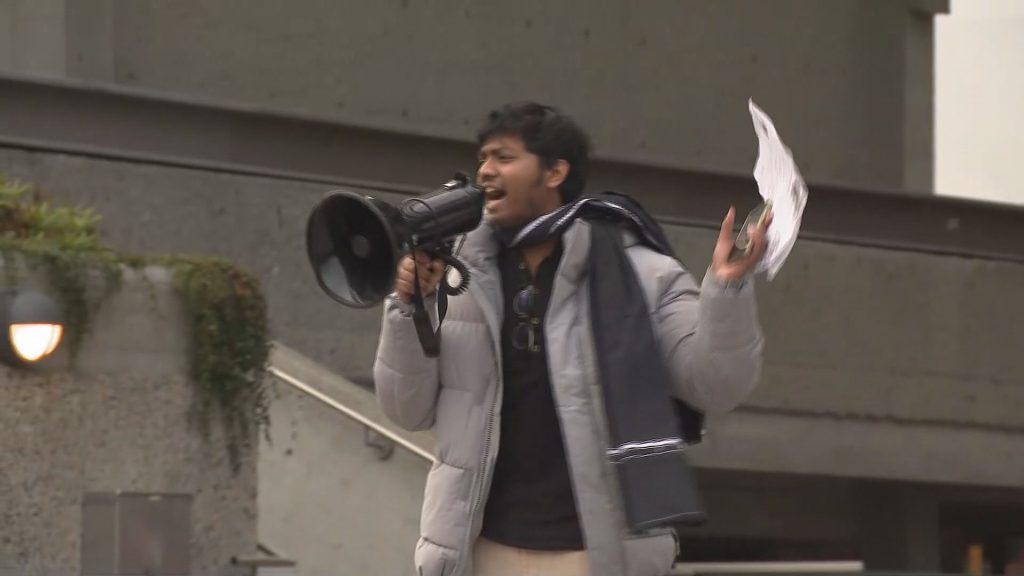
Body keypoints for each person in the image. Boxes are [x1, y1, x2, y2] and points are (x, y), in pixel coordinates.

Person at [374, 102, 768, 576]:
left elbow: (718, 383)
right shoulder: (458, 279)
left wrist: (726, 287)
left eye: (503, 157)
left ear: (555, 171)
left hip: (594, 557)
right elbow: (406, 409)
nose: (485, 171)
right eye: (482, 158)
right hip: (478, 553)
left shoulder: (641, 275)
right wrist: (406, 306)